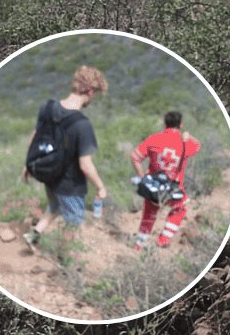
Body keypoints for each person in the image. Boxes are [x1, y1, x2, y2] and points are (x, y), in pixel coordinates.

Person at [21, 65, 110, 248]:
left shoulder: (47, 107)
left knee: (54, 207)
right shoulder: (82, 125)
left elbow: (35, 136)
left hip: (48, 174)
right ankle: (66, 258)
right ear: (91, 92)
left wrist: (28, 165)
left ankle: (33, 236)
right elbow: (85, 165)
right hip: (70, 184)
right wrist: (100, 188)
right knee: (74, 221)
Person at [130, 111, 201, 249]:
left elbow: (135, 156)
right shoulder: (184, 143)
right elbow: (198, 146)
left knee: (148, 215)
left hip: (153, 186)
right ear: (181, 124)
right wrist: (189, 137)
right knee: (180, 208)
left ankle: (139, 246)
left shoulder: (154, 139)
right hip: (173, 189)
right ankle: (164, 238)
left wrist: (143, 177)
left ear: (165, 123)